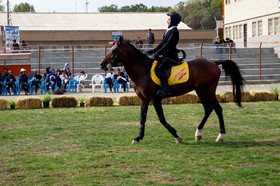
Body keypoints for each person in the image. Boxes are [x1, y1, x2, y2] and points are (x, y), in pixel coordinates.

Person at [146, 12, 181, 97]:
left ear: (173, 21)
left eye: (169, 19)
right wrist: (153, 51)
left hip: (171, 57)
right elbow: (162, 43)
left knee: (159, 70)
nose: (167, 21)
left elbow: (168, 44)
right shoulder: (168, 30)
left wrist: (158, 53)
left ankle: (166, 89)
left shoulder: (174, 31)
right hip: (165, 55)